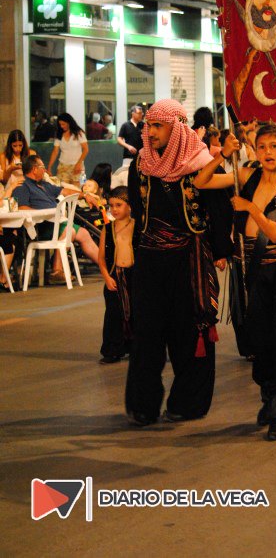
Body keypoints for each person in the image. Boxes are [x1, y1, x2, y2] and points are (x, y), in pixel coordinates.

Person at [195, 123, 276, 441]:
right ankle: (269, 394)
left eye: (274, 146)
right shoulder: (246, 175)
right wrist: (222, 154)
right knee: (259, 337)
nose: (267, 152)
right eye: (262, 147)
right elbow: (201, 181)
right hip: (252, 267)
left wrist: (250, 207)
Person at [125, 99, 231, 427]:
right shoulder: (141, 164)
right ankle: (143, 406)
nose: (151, 132)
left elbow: (220, 208)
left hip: (189, 260)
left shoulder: (201, 162)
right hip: (150, 260)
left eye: (158, 126)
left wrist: (221, 250)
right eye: (149, 126)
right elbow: (136, 209)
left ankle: (188, 402)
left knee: (190, 331)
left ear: (177, 128)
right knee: (146, 333)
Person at [13, 155, 99, 283]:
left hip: (54, 223)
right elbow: (21, 208)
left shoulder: (44, 184)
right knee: (70, 230)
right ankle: (56, 270)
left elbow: (65, 191)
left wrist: (85, 195)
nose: (45, 170)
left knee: (83, 233)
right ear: (34, 169)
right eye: (43, 167)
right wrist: (43, 213)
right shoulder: (23, 185)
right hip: (38, 227)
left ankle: (107, 267)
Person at [98, 186, 138, 364]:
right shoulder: (107, 229)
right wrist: (107, 277)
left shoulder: (138, 226)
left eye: (119, 205)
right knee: (113, 314)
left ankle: (137, 347)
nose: (114, 209)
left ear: (129, 206)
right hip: (114, 275)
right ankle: (113, 350)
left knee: (137, 312)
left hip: (135, 275)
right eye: (111, 205)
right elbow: (101, 258)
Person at [47, 113, 88, 184]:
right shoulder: (59, 134)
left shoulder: (79, 133)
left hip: (78, 166)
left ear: (69, 122)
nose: (62, 126)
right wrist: (49, 167)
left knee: (81, 186)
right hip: (63, 166)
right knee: (61, 187)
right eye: (60, 124)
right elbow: (55, 151)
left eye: (63, 124)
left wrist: (79, 163)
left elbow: (86, 149)